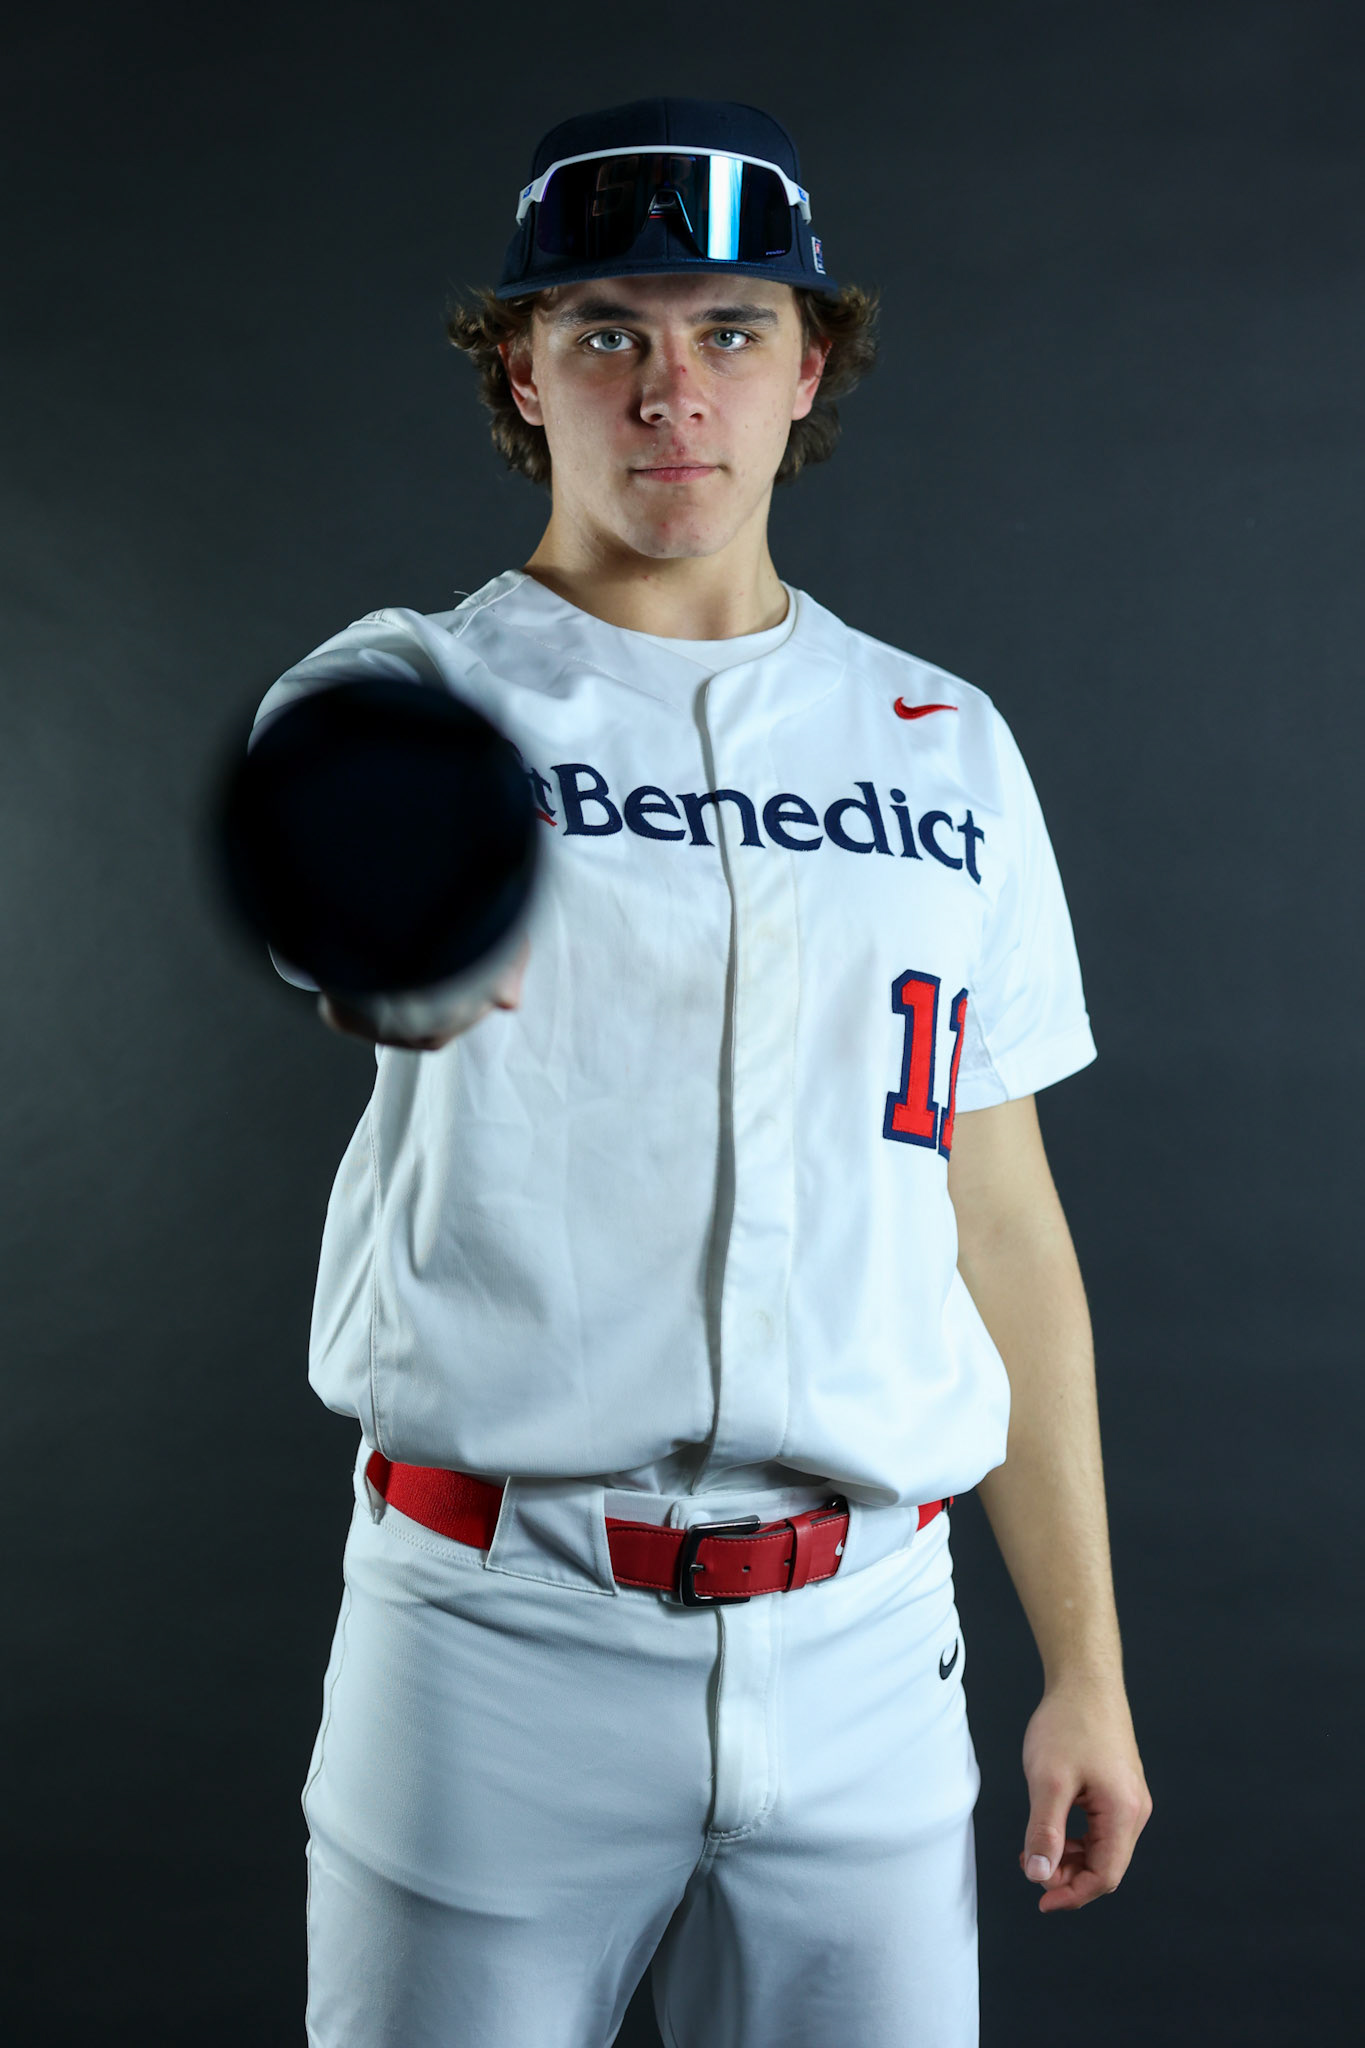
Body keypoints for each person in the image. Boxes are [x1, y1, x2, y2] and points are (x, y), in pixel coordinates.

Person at [256, 96, 1152, 2048]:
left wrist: (1080, 1662)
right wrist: (395, 951)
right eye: (605, 331)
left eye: (728, 328)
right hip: (494, 1634)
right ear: (519, 368)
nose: (672, 387)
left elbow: (996, 1222)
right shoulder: (407, 694)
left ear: (807, 361)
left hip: (864, 1650)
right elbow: (336, 877)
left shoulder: (938, 743)